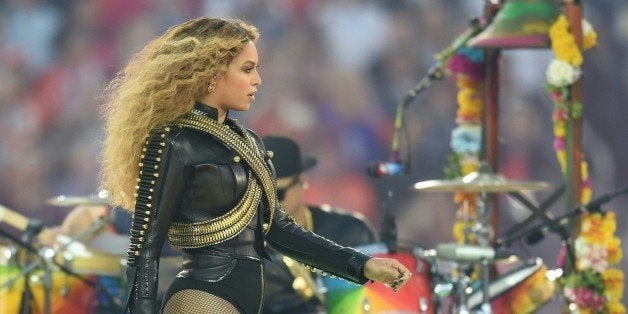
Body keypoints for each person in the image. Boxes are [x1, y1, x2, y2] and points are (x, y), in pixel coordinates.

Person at [100, 17, 411, 314]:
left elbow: (279, 230)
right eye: (247, 70)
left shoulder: (249, 141)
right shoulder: (175, 142)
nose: (257, 80)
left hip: (248, 299)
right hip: (202, 296)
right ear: (212, 72)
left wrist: (363, 265)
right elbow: (144, 250)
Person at [261, 135, 379, 313]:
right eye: (259, 193)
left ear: (301, 181)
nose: (267, 201)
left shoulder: (352, 230)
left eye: (278, 193)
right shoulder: (245, 247)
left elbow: (380, 299)